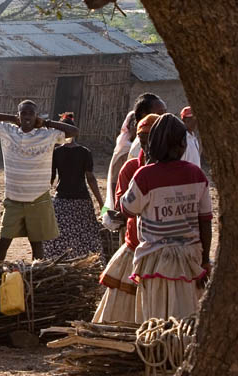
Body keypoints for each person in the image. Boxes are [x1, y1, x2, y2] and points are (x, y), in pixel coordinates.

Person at [121, 113, 212, 322]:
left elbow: (127, 209)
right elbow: (205, 221)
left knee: (155, 320)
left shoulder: (144, 176)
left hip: (155, 261)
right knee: (187, 319)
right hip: (190, 259)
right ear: (182, 145)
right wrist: (205, 260)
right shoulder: (196, 175)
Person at [0, 100, 78, 262]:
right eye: (23, 113)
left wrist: (46, 122)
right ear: (19, 115)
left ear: (36, 116)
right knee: (3, 243)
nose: (27, 117)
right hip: (13, 199)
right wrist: (12, 118)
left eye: (31, 113)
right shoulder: (7, 131)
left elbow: (74, 131)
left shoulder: (47, 134)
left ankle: (35, 278)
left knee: (36, 246)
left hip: (37, 198)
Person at [93, 113, 159, 324]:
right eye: (144, 142)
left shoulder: (172, 169)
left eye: (153, 141)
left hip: (161, 249)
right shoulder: (131, 168)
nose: (148, 148)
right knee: (126, 308)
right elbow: (125, 207)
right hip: (135, 243)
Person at [42, 113, 105, 260]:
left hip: (61, 200)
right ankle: (88, 263)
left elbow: (51, 179)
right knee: (86, 236)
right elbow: (91, 179)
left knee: (58, 235)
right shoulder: (84, 152)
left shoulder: (56, 152)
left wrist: (44, 199)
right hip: (82, 201)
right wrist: (102, 204)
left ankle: (58, 262)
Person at [104, 93, 167, 229]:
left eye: (165, 113)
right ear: (145, 115)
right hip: (142, 224)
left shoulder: (167, 145)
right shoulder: (141, 146)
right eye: (160, 113)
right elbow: (126, 190)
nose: (164, 118)